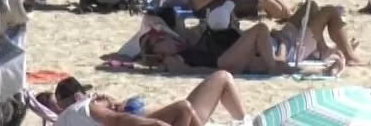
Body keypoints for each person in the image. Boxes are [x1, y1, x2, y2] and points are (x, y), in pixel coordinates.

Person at [50, 71, 246, 126]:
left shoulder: (93, 107)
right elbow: (118, 120)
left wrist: (111, 101)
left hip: (179, 118)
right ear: (77, 96)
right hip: (176, 118)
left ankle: (245, 121)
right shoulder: (85, 109)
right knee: (184, 107)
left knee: (222, 77)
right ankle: (246, 122)